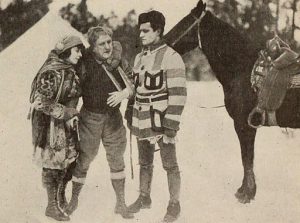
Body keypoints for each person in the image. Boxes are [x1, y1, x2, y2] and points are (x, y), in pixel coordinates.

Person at [65, 26, 135, 219]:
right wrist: (71, 113)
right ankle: (74, 199)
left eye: (109, 42)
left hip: (113, 119)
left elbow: (134, 83)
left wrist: (125, 93)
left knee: (116, 159)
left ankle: (121, 203)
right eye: (101, 44)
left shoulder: (118, 60)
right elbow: (73, 90)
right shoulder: (84, 62)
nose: (107, 47)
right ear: (93, 47)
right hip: (90, 119)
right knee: (84, 159)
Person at [126, 10, 187, 223]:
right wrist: (129, 111)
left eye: (146, 30)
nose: (141, 34)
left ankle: (174, 204)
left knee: (169, 164)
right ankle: (144, 197)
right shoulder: (139, 57)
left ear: (158, 31)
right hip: (141, 118)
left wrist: (171, 126)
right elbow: (136, 88)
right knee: (144, 162)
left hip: (161, 120)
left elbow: (178, 95)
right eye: (139, 30)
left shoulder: (172, 57)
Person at [29, 35, 84, 221]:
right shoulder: (51, 71)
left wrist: (71, 113)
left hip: (66, 123)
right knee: (52, 163)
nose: (80, 54)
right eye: (77, 50)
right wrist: (65, 112)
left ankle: (60, 196)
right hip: (50, 124)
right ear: (66, 51)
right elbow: (40, 102)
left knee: (69, 161)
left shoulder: (70, 69)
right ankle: (51, 205)